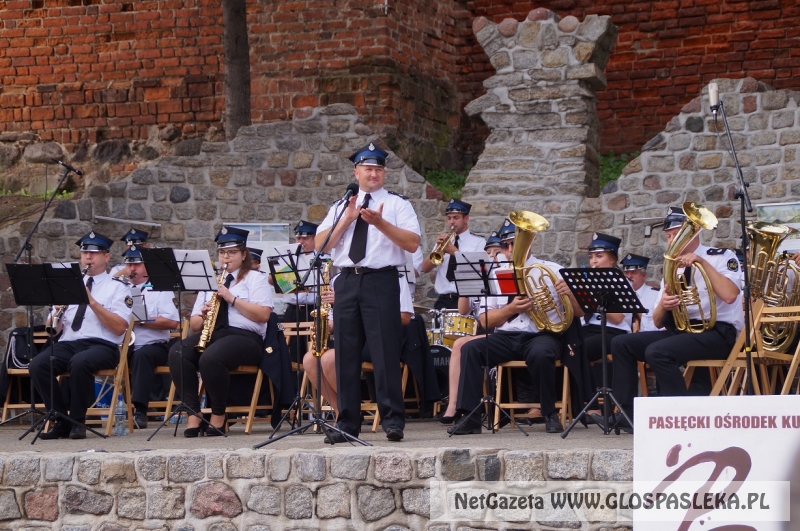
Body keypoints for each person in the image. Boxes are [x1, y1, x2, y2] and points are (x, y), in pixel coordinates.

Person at [600, 206, 744, 433]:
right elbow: (657, 321)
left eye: (676, 234)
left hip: (718, 332)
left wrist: (701, 263)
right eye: (668, 236)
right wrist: (665, 305)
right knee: (621, 344)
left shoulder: (721, 257)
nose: (670, 240)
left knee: (658, 352)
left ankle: (680, 416)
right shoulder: (673, 266)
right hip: (686, 331)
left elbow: (730, 294)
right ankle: (626, 415)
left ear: (693, 233)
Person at [316, 142, 421, 443]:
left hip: (381, 280)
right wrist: (348, 219)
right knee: (346, 354)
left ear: (383, 173)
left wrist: (381, 223)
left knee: (384, 351)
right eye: (368, 169)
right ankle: (347, 423)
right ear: (356, 172)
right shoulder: (341, 206)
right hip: (347, 281)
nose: (373, 174)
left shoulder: (398, 204)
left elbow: (412, 243)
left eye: (378, 169)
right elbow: (321, 243)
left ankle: (392, 421)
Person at [449, 216, 584, 435]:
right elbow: (485, 320)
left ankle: (549, 413)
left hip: (542, 333)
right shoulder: (494, 274)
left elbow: (578, 313)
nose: (509, 248)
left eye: (514, 243)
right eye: (505, 244)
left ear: (528, 243)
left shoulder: (552, 270)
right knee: (470, 349)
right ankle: (471, 417)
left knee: (542, 353)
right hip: (507, 336)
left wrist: (570, 295)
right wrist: (511, 309)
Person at [168, 227, 273, 437]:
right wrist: (205, 313)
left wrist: (231, 299)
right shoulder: (211, 281)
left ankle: (218, 413)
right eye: (223, 253)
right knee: (178, 352)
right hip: (215, 334)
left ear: (243, 255)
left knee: (211, 358)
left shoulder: (255, 278)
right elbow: (196, 325)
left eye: (232, 252)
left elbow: (263, 315)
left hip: (245, 338)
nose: (226, 257)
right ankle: (193, 412)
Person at [31, 232, 132, 440]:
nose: (88, 257)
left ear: (106, 257)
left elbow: (120, 327)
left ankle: (78, 421)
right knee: (38, 364)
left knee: (80, 362)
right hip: (69, 342)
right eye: (85, 252)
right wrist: (55, 314)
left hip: (102, 345)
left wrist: (92, 302)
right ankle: (61, 420)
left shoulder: (118, 288)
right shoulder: (67, 285)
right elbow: (53, 329)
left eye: (94, 253)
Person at [438, 229, 506, 424]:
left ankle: (460, 404)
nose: (492, 256)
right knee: (459, 344)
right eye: (489, 252)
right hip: (482, 328)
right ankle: (454, 403)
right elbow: (463, 310)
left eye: (496, 252)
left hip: (497, 328)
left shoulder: (504, 276)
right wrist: (465, 284)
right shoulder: (479, 273)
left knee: (461, 344)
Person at [123, 246, 180, 429]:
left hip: (154, 345)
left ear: (147, 266)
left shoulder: (160, 289)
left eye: (137, 264)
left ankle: (140, 410)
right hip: (125, 343)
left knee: (142, 356)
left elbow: (172, 322)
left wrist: (141, 321)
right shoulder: (120, 289)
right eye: (129, 264)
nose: (132, 269)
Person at [580, 233, 631, 418]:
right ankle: (572, 403)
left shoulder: (620, 281)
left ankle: (593, 404)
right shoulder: (587, 280)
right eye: (591, 257)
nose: (594, 262)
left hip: (614, 332)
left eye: (599, 257)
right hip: (589, 329)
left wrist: (594, 295)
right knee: (564, 347)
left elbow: (618, 318)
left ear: (613, 260)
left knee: (581, 349)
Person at [420, 199, 487, 310]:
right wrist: (437, 248)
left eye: (456, 218)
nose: (451, 222)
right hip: (443, 300)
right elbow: (425, 268)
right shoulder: (444, 241)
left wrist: (455, 253)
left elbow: (478, 270)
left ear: (466, 219)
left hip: (466, 301)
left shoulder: (478, 242)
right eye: (449, 218)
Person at [621, 253, 661, 332]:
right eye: (626, 273)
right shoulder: (619, 296)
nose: (629, 276)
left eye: (634, 272)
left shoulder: (655, 295)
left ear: (644, 275)